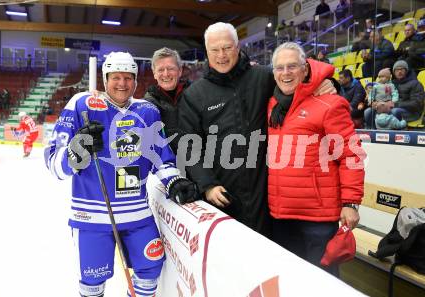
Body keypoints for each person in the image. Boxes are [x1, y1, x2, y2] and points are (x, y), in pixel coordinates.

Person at [44, 52, 196, 297]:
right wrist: (77, 151)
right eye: (116, 77)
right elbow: (53, 162)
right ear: (105, 79)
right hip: (92, 216)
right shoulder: (81, 104)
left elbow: (161, 156)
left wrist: (174, 180)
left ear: (136, 81)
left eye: (128, 77)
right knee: (93, 282)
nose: (122, 84)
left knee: (150, 270)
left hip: (137, 214)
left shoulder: (147, 111)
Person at [178, 22, 336, 237]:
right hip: (223, 195)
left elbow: (294, 74)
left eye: (227, 48)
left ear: (238, 46)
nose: (221, 55)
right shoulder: (195, 94)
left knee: (270, 258)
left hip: (265, 193)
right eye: (215, 50)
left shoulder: (262, 77)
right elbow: (189, 147)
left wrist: (322, 81)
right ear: (207, 52)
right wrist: (207, 186)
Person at [267, 42, 365, 276]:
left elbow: (351, 154)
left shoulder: (329, 103)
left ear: (305, 69)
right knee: (289, 280)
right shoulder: (272, 104)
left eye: (292, 66)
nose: (286, 73)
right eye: (279, 68)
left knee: (320, 283)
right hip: (280, 215)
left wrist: (350, 203)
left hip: (318, 218)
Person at [145, 47, 189, 154]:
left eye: (170, 68)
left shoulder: (196, 96)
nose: (166, 74)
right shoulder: (147, 105)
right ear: (154, 73)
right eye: (160, 70)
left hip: (197, 163)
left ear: (180, 71)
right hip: (165, 166)